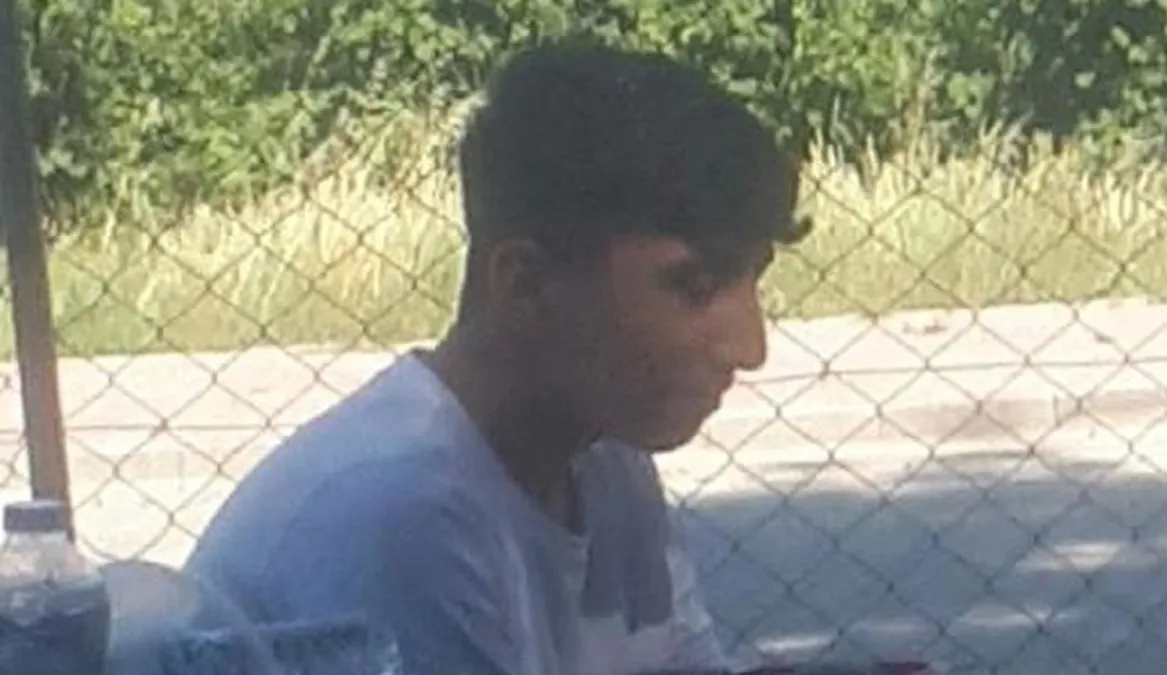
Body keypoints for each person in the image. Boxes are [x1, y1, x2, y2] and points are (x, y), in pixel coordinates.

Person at [185, 41, 811, 675]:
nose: (749, 349)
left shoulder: (606, 465)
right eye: (694, 287)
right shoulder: (402, 514)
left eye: (753, 282)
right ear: (527, 286)